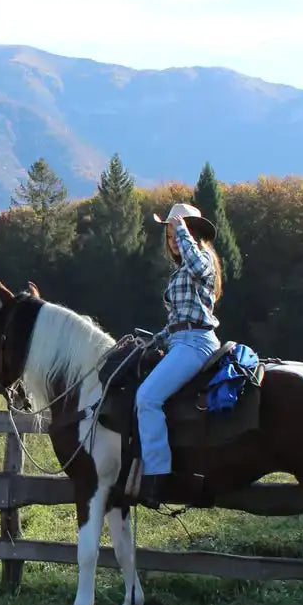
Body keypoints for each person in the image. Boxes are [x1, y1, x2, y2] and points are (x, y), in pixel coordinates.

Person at [135, 202, 222, 508]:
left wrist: (181, 229)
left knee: (147, 398)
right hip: (180, 341)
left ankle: (158, 477)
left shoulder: (203, 262)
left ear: (193, 234)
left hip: (196, 343)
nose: (172, 238)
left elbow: (197, 267)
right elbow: (176, 321)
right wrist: (150, 342)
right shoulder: (178, 273)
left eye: (177, 231)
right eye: (169, 233)